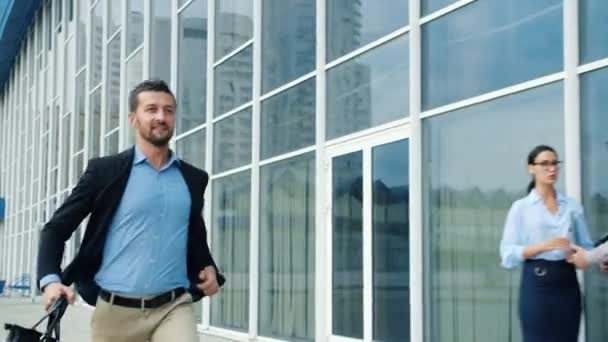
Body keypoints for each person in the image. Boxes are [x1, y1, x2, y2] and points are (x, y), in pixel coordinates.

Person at [37, 79, 224, 342]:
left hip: (173, 307)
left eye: (168, 110)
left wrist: (208, 268)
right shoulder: (104, 172)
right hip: (115, 313)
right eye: (152, 109)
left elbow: (192, 233)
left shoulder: (193, 179)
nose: (161, 116)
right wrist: (51, 280)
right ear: (133, 119)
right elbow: (56, 228)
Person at [499, 145, 594, 342]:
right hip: (536, 285)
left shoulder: (572, 206)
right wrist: (542, 246)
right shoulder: (521, 208)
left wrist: (581, 258)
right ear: (531, 168)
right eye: (544, 164)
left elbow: (587, 248)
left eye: (554, 163)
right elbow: (507, 254)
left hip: (567, 284)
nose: (551, 169)